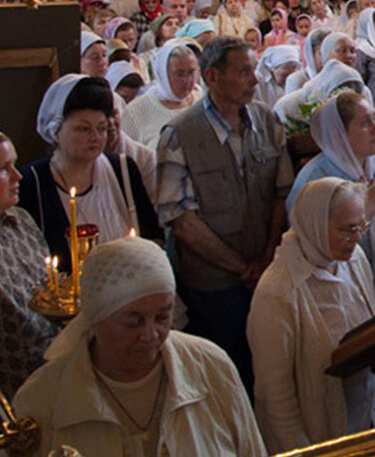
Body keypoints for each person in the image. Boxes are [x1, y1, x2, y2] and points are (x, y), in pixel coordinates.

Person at [12, 236, 266, 455]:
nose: (150, 334)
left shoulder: (210, 366)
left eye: (162, 317)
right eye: (133, 322)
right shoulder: (43, 399)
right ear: (96, 320)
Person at [155, 37, 294, 394]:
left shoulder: (266, 119)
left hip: (266, 273)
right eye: (245, 72)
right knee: (226, 378)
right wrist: (238, 266)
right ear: (213, 77)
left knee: (273, 373)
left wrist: (266, 256)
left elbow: (281, 193)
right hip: (212, 286)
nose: (255, 80)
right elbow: (181, 220)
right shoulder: (180, 135)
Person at [248, 179, 375, 451]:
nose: (356, 238)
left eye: (361, 227)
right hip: (315, 436)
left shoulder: (354, 260)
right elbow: (275, 395)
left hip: (364, 419)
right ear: (315, 225)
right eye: (346, 229)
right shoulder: (277, 291)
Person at [20, 76, 161, 269]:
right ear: (56, 131)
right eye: (84, 129)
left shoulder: (123, 169)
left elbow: (153, 236)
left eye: (101, 128)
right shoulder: (32, 183)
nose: (95, 137)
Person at [290, 92, 375, 304]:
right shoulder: (314, 182)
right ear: (339, 134)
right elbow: (314, 254)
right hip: (343, 300)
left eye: (374, 120)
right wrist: (366, 212)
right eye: (365, 123)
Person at [0, 131, 60, 396]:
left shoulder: (21, 219)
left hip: (55, 363)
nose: (18, 176)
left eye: (14, 164)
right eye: (4, 169)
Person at [122, 40, 203, 148]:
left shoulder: (201, 101)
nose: (188, 80)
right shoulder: (135, 112)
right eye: (180, 74)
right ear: (163, 74)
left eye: (191, 72)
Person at [254, 44, 301, 109]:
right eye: (285, 74)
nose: (289, 78)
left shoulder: (299, 80)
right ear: (272, 69)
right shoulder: (258, 83)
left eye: (292, 74)